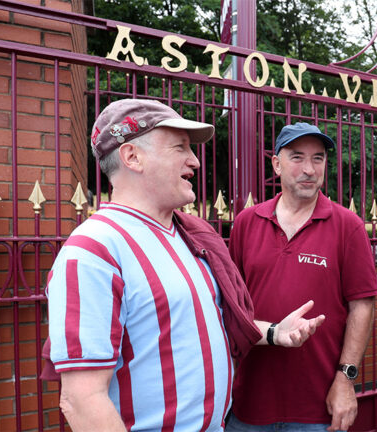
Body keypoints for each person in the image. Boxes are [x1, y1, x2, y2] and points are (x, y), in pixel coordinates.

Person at [46, 99, 324, 431]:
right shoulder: (95, 250)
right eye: (180, 147)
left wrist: (276, 332)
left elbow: (204, 326)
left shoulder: (189, 237)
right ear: (132, 157)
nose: (194, 160)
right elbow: (81, 400)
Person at [228, 122, 377, 432]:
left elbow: (361, 307)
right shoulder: (246, 223)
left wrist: (346, 379)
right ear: (276, 164)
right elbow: (232, 305)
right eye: (297, 157)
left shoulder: (347, 226)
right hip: (248, 404)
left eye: (318, 158)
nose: (309, 169)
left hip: (317, 409)